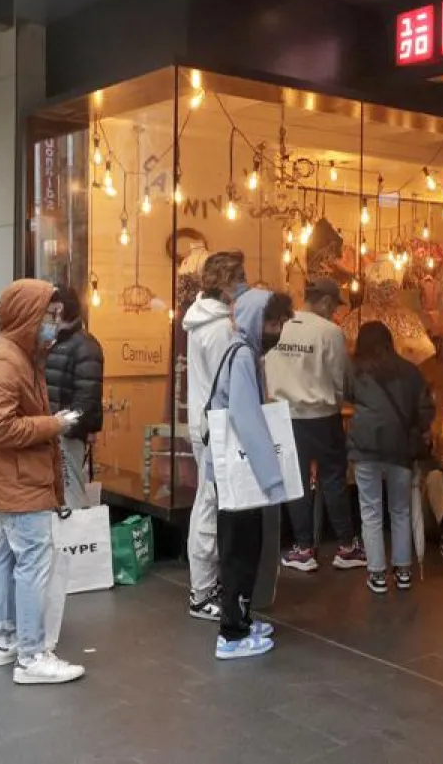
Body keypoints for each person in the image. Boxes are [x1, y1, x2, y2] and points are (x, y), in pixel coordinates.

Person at [0, 278, 85, 685]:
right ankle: (32, 654)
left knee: (8, 557)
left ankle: (8, 641)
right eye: (48, 315)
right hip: (21, 483)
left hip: (15, 481)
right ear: (26, 316)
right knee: (32, 565)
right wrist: (53, 425)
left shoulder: (18, 355)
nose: (54, 323)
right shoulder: (6, 361)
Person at [201, 288, 295, 660]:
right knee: (240, 550)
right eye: (272, 322)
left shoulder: (243, 351)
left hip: (234, 470)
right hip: (240, 474)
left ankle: (239, 619)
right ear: (257, 320)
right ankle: (232, 635)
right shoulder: (243, 356)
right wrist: (272, 476)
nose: (277, 330)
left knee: (242, 546)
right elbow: (246, 417)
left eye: (281, 323)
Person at [269, 277, 363, 573]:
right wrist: (342, 397)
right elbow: (341, 376)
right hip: (322, 415)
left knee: (295, 481)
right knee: (333, 479)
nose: (334, 312)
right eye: (334, 306)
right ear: (324, 301)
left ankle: (303, 548)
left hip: (285, 414)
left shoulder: (280, 325)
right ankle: (346, 546)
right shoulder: (330, 332)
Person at [181, 250, 247, 621]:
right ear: (226, 283)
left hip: (203, 422)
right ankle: (202, 591)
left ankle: (204, 585)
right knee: (208, 504)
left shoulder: (199, 319)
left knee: (207, 502)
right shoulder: (221, 328)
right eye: (240, 278)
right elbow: (228, 382)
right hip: (216, 424)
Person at [348, 320, 434, 594]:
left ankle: (377, 574)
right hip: (400, 448)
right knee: (400, 509)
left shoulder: (355, 370)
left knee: (371, 511)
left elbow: (347, 396)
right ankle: (403, 570)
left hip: (366, 447)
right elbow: (425, 408)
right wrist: (417, 428)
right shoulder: (410, 371)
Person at [46, 285, 105, 510]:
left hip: (67, 434)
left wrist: (64, 425)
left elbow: (87, 399)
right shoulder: (57, 343)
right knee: (61, 493)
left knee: (71, 493)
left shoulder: (85, 346)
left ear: (59, 309)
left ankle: (76, 532)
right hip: (53, 430)